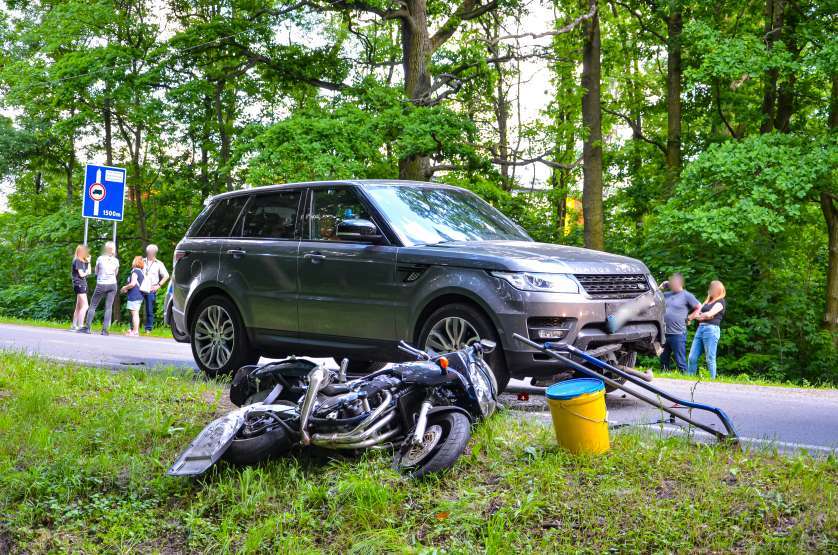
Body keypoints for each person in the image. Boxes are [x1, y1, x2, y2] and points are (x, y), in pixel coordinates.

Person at [658, 273, 701, 372]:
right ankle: (665, 378)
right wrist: (661, 287)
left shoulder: (686, 295)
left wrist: (690, 317)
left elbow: (699, 306)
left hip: (678, 333)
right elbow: (654, 297)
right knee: (663, 359)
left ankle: (684, 379)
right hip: (664, 333)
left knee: (680, 360)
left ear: (680, 283)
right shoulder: (666, 295)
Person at [687, 280, 727, 379]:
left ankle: (712, 381)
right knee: (692, 357)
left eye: (713, 288)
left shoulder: (721, 302)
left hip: (711, 330)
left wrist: (704, 316)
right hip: (700, 329)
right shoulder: (707, 302)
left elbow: (709, 314)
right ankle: (689, 378)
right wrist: (703, 316)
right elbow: (697, 314)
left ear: (718, 290)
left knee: (710, 358)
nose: (710, 289)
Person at [79, 241, 120, 336]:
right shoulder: (116, 261)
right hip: (112, 284)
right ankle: (105, 331)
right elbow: (116, 273)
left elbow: (96, 271)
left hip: (101, 284)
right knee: (108, 307)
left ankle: (87, 328)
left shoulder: (100, 259)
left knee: (93, 305)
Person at [141, 244, 169, 335]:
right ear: (147, 252)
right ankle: (133, 328)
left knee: (149, 310)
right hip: (140, 288)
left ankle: (148, 329)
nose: (150, 253)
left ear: (155, 253)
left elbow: (166, 276)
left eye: (152, 252)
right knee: (135, 307)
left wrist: (158, 285)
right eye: (149, 252)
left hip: (151, 288)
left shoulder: (159, 263)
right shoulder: (142, 261)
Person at [121, 256, 145, 336]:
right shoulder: (141, 272)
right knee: (135, 313)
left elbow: (133, 283)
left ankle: (135, 331)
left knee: (135, 314)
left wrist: (125, 287)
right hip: (140, 295)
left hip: (134, 295)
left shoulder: (135, 271)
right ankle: (133, 330)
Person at [70, 245, 91, 330]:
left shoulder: (82, 261)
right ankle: (80, 325)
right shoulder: (77, 261)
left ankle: (74, 325)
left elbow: (89, 271)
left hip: (81, 284)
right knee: (85, 306)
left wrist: (89, 262)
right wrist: (86, 272)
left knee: (78, 306)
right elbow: (82, 274)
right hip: (80, 284)